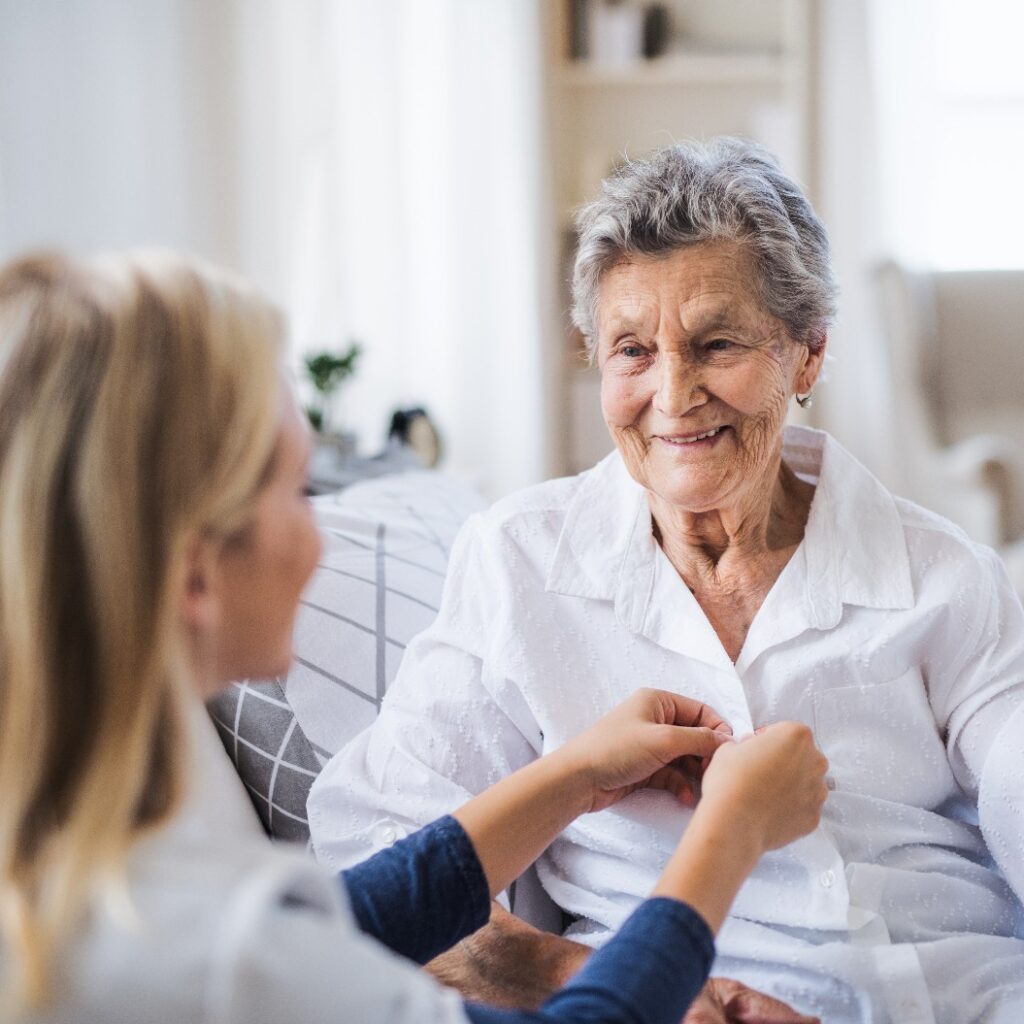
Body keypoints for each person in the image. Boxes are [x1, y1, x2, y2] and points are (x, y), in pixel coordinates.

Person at [0, 249, 829, 1024]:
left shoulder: (96, 873)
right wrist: (732, 832)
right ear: (194, 572)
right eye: (297, 491)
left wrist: (573, 774)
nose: (325, 537)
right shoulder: (214, 960)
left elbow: (346, 919)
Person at [308, 138, 1024, 1024]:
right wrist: (577, 975)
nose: (674, 394)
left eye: (717, 343)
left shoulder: (944, 574)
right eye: (633, 351)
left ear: (806, 355)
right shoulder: (520, 562)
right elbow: (376, 853)